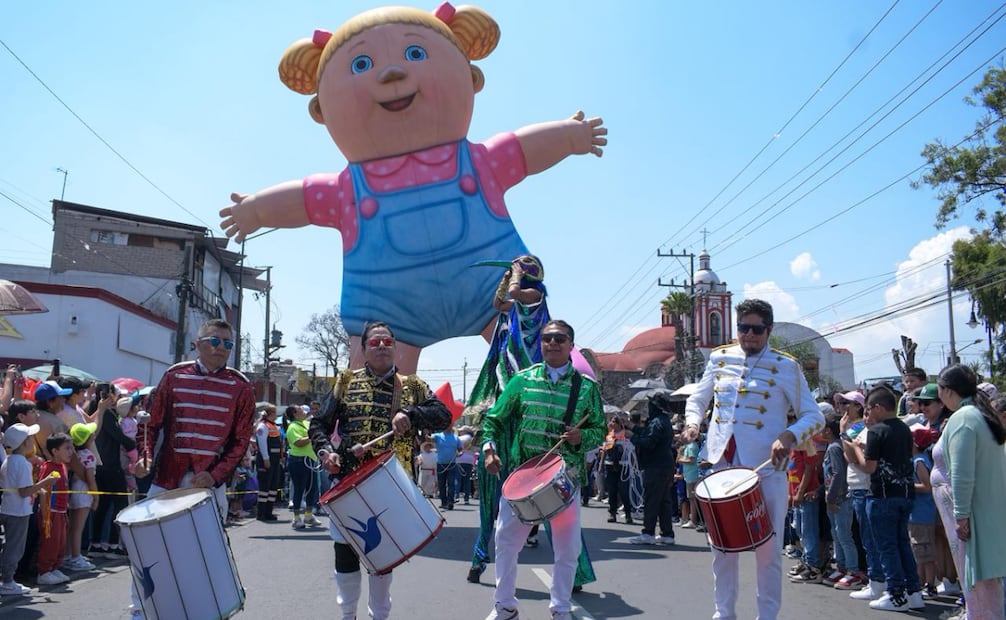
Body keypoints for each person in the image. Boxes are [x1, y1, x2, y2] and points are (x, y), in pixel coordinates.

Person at [218, 4, 606, 375]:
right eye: (361, 64)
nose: (391, 73)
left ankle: (558, 412)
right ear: (322, 109)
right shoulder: (346, 190)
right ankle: (367, 439)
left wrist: (570, 137)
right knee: (373, 399)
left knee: (537, 364)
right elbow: (299, 199)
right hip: (389, 315)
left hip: (495, 294)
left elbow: (525, 147)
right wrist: (255, 211)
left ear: (470, 77)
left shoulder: (480, 161)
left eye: (415, 52)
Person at [682, 298, 824, 620]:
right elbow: (699, 398)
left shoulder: (786, 366)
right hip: (722, 465)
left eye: (756, 329)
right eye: (743, 328)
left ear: (769, 330)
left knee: (768, 549)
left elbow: (813, 416)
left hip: (766, 469)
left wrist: (787, 437)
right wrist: (692, 424)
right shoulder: (719, 359)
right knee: (721, 546)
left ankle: (767, 615)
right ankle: (724, 613)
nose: (749, 335)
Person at [308, 321, 450, 620]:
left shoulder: (413, 386)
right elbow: (319, 423)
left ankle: (379, 616)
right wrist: (326, 452)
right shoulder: (345, 381)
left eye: (387, 341)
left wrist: (411, 413)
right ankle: (348, 615)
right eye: (375, 342)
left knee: (382, 556)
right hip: (347, 481)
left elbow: (443, 416)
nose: (382, 346)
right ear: (364, 349)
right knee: (345, 550)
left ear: (395, 347)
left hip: (393, 486)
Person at [481, 319, 606, 620]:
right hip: (523, 479)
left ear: (570, 345)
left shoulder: (586, 388)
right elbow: (493, 420)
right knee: (506, 542)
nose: (552, 343)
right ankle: (505, 607)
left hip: (566, 480)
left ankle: (560, 608)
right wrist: (489, 450)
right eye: (547, 338)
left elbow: (599, 430)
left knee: (567, 549)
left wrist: (581, 437)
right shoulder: (522, 381)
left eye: (560, 338)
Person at [131, 318, 255, 618]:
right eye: (214, 341)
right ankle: (140, 611)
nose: (221, 349)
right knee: (148, 550)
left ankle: (206, 610)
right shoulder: (174, 376)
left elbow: (240, 441)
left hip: (209, 485)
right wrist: (144, 457)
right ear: (197, 343)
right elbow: (151, 424)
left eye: (227, 344)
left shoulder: (240, 386)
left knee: (207, 553)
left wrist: (215, 475)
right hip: (166, 479)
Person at [933, 363, 1006, 618]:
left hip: (972, 517)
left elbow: (962, 474)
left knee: (979, 582)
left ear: (948, 391)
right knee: (983, 583)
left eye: (939, 390)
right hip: (980, 513)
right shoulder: (977, 414)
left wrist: (962, 516)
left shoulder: (963, 418)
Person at [842, 386, 923, 612]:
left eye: (869, 409)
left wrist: (853, 448)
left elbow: (869, 467)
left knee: (887, 546)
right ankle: (914, 592)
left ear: (878, 408)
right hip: (905, 494)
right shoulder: (905, 430)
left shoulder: (878, 431)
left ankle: (895, 594)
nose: (867, 414)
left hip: (883, 495)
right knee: (902, 544)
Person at [0, 422, 59, 597]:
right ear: (25, 442)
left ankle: (7, 579)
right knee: (14, 548)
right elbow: (24, 491)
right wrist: (46, 482)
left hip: (8, 508)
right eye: (30, 438)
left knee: (9, 546)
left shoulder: (9, 459)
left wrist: (37, 487)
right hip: (18, 511)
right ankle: (7, 581)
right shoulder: (22, 463)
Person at [626, 393, 677, 545]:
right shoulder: (664, 421)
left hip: (656, 466)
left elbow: (648, 442)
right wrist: (632, 428)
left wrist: (631, 436)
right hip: (666, 465)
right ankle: (667, 534)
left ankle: (648, 533)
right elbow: (647, 434)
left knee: (652, 500)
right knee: (663, 501)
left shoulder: (657, 422)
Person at [90, 395, 137, 559]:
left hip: (101, 464)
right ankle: (113, 545)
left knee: (103, 505)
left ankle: (97, 543)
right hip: (112, 466)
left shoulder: (95, 412)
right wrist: (133, 445)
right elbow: (119, 437)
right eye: (110, 394)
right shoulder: (107, 415)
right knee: (120, 505)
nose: (113, 398)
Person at [36, 433, 74, 585]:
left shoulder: (63, 467)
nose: (70, 451)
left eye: (71, 448)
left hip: (61, 511)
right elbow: (43, 491)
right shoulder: (48, 467)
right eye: (66, 448)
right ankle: (44, 571)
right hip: (51, 512)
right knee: (50, 543)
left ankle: (55, 567)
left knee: (60, 542)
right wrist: (46, 516)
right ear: (54, 451)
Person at [64, 422, 98, 572]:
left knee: (72, 526)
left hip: (73, 489)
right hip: (84, 492)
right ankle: (76, 557)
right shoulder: (89, 456)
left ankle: (68, 555)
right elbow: (90, 478)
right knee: (78, 528)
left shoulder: (73, 455)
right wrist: (96, 497)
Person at [284, 404, 321, 530]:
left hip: (309, 460)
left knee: (312, 488)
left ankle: (309, 515)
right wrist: (311, 436)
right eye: (300, 409)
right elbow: (298, 442)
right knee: (299, 489)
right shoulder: (293, 427)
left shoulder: (304, 424)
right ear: (295, 413)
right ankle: (296, 518)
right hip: (299, 461)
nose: (303, 411)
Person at [254, 404, 284, 522]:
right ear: (270, 414)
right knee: (264, 487)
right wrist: (266, 459)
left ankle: (269, 512)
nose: (276, 415)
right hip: (266, 460)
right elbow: (262, 444)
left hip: (275, 460)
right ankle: (261, 513)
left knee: (272, 487)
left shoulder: (273, 426)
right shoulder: (263, 426)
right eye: (275, 413)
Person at [432, 424, 461, 510]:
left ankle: (450, 501)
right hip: (441, 463)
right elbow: (429, 439)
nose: (448, 427)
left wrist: (459, 453)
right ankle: (444, 502)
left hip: (451, 463)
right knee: (441, 484)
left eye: (449, 425)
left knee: (451, 483)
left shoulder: (455, 438)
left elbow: (460, 449)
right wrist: (425, 432)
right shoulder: (438, 436)